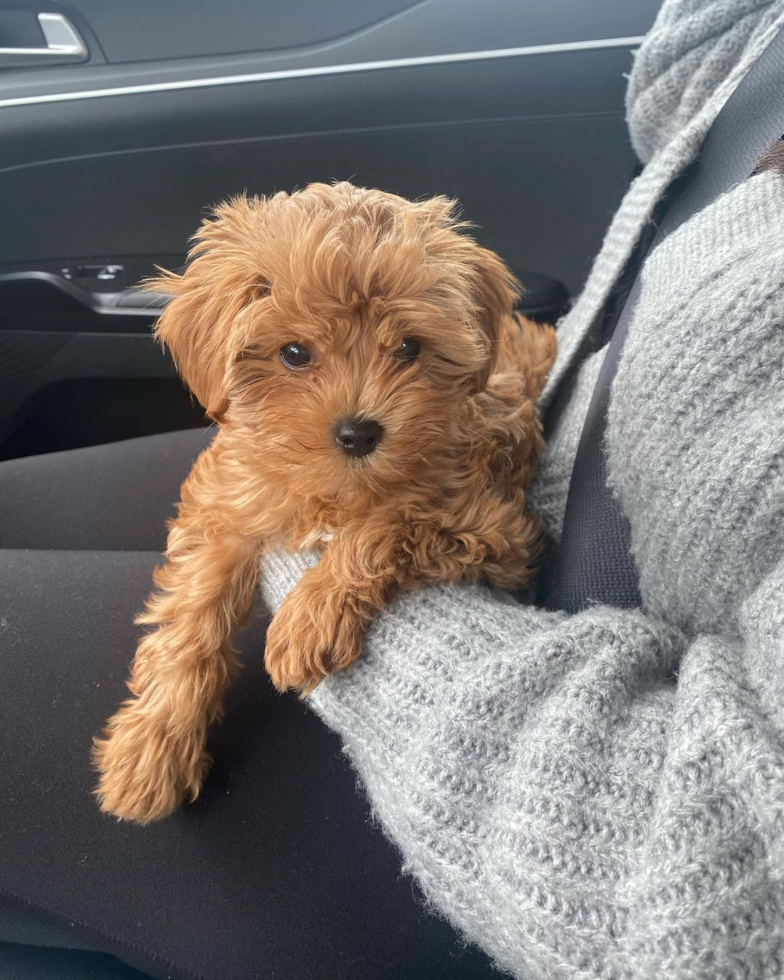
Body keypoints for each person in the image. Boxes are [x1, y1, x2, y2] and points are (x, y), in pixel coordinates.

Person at [2, 0, 784, 977]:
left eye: (408, 349)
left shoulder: (454, 434)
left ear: (458, 347)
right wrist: (176, 687)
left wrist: (361, 565)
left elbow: (498, 538)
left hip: (515, 769)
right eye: (297, 352)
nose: (359, 400)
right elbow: (216, 524)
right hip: (581, 405)